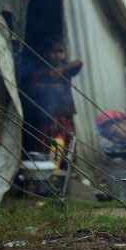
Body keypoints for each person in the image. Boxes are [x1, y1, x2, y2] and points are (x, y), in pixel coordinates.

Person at [25, 36, 82, 166]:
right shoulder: (42, 68)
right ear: (47, 53)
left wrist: (63, 69)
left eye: (60, 52)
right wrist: (51, 87)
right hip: (48, 113)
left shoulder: (66, 68)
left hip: (65, 111)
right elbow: (32, 86)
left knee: (67, 140)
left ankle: (67, 167)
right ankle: (51, 167)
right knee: (49, 141)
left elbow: (79, 63)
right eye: (54, 52)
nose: (57, 55)